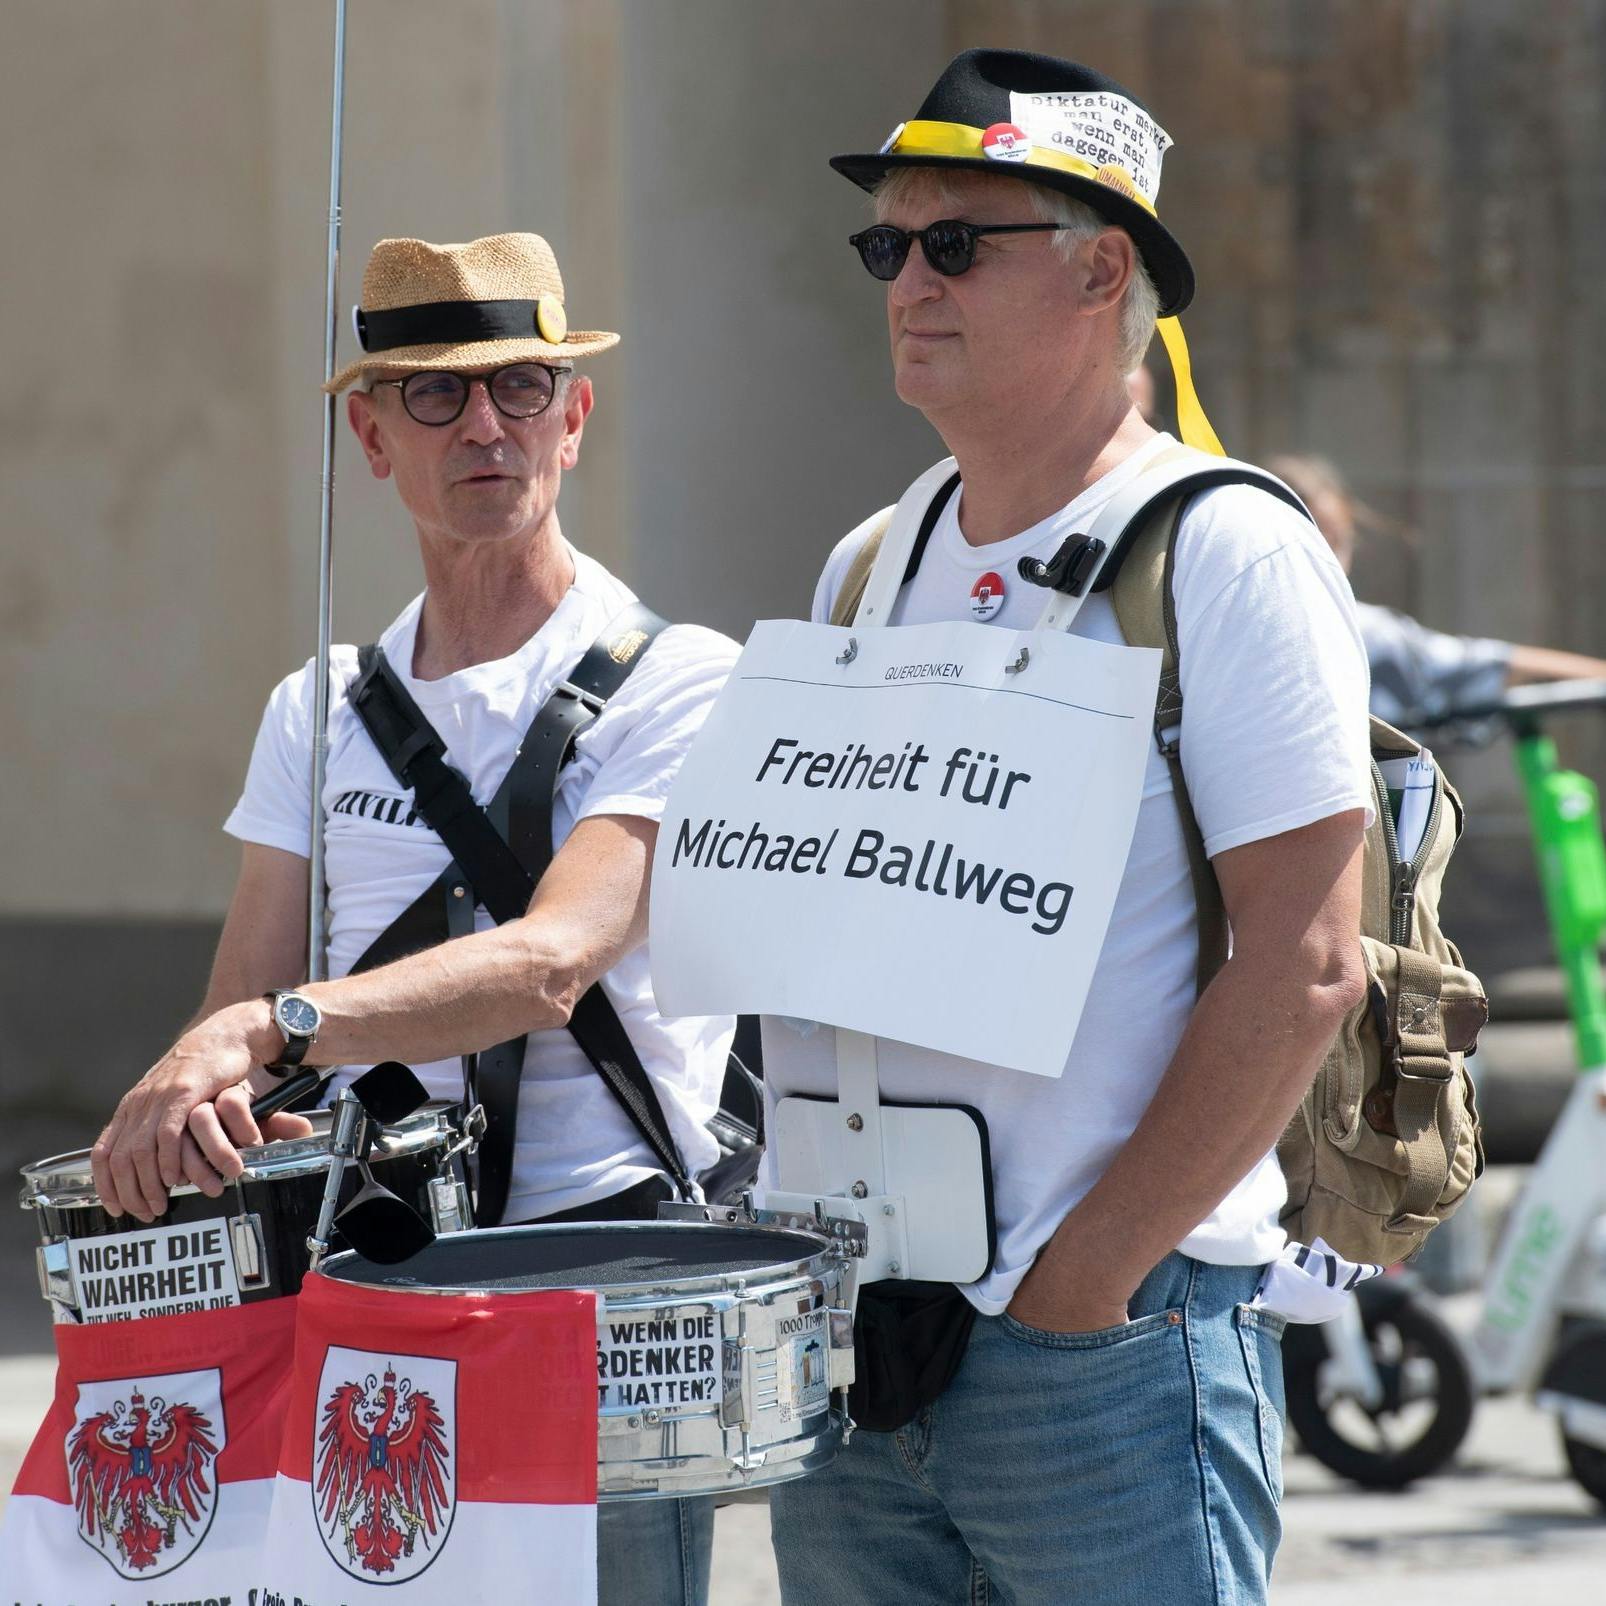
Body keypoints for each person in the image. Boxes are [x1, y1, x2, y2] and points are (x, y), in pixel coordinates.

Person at [760, 49, 1373, 1604]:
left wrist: (1081, 1281)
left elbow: (1306, 960)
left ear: (1103, 272)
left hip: (1097, 1337)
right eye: (886, 245)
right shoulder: (862, 560)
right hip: (857, 1329)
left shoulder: (1224, 550)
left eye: (955, 241)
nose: (908, 279)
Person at [89, 231, 737, 1606]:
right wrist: (192, 1110)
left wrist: (278, 1026)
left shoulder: (679, 679)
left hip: (596, 1277)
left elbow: (555, 960)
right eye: (433, 394)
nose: (483, 424)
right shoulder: (315, 706)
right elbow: (239, 1012)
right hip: (368, 1270)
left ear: (575, 415)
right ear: (371, 438)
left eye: (518, 385)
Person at [1269, 453, 1606, 727]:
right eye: (1311, 544)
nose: (1329, 562)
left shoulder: (1369, 634)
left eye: (1338, 543)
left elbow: (1483, 662)